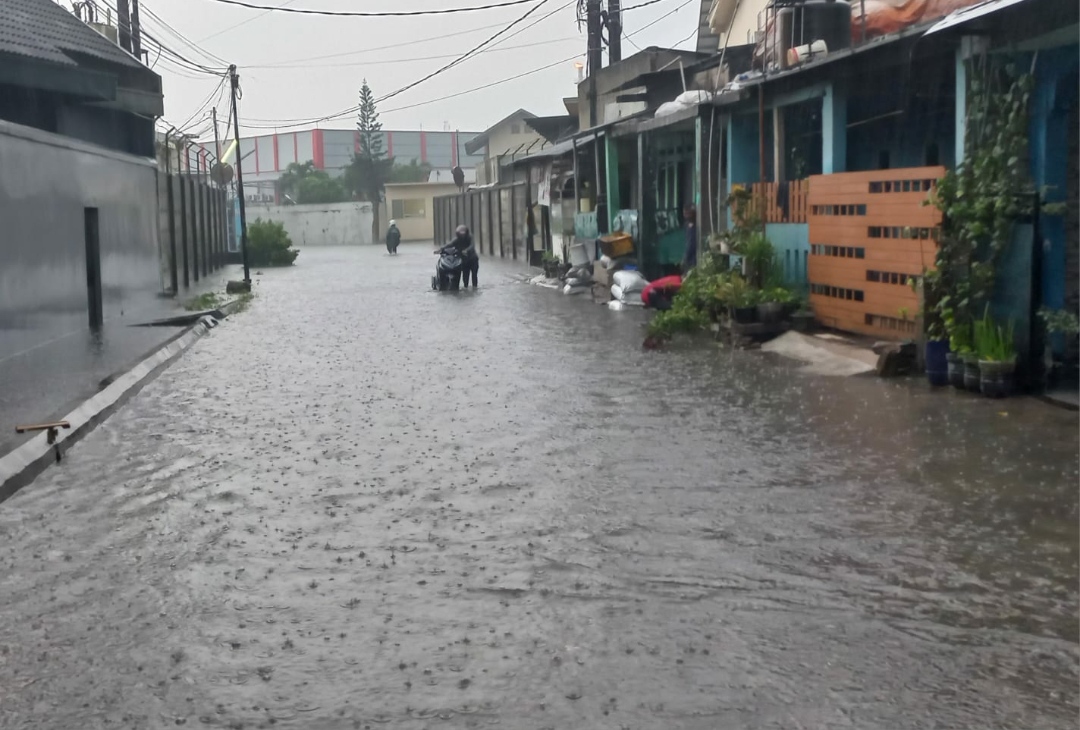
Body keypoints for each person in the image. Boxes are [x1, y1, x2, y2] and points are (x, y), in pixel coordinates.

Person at [454, 224, 479, 288]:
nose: (462, 235)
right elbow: (450, 245)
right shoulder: (457, 240)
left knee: (474, 275)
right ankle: (466, 287)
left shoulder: (470, 237)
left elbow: (472, 246)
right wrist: (442, 249)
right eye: (461, 233)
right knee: (465, 276)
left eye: (463, 233)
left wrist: (466, 250)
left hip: (473, 260)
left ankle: (474, 287)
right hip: (464, 261)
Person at [681, 204, 698, 273]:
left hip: (694, 259)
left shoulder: (694, 226)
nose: (686, 216)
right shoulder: (688, 225)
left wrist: (685, 258)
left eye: (688, 214)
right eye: (685, 214)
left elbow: (691, 244)